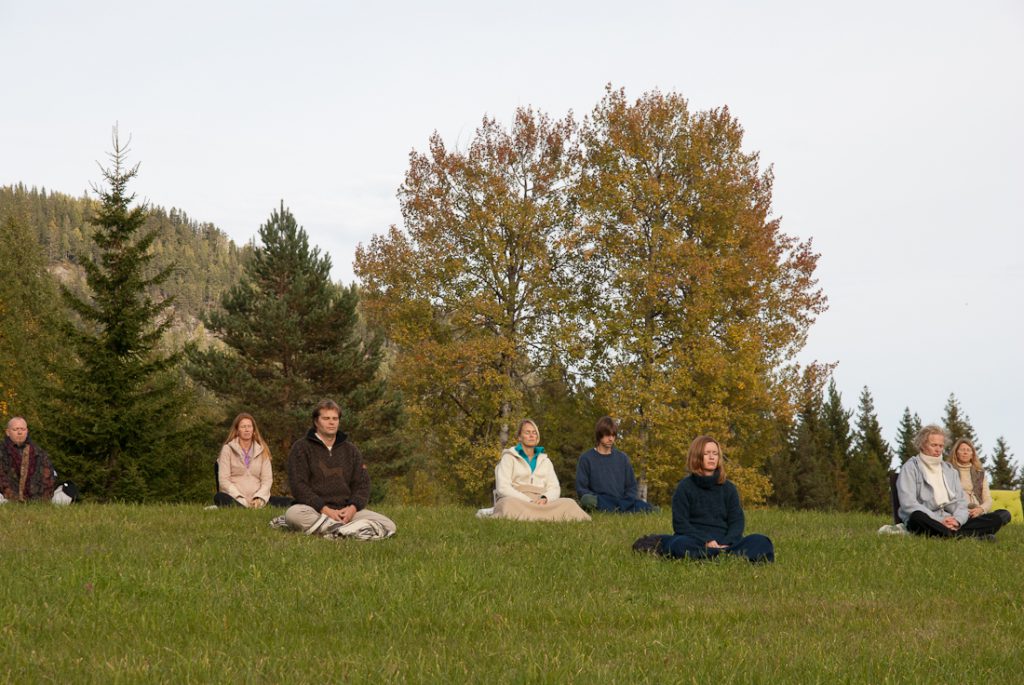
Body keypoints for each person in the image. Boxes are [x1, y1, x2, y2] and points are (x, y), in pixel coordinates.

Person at [633, 436, 773, 562]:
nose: (712, 457)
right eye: (706, 454)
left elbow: (737, 521)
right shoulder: (684, 487)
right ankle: (725, 557)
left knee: (762, 541)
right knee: (679, 545)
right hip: (695, 540)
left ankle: (715, 556)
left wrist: (727, 542)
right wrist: (706, 540)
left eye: (715, 454)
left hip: (725, 543)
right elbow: (680, 523)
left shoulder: (728, 488)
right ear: (697, 457)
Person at [282, 400, 395, 540]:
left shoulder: (351, 450)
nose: (331, 422)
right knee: (292, 515)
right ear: (316, 422)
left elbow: (362, 484)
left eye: (335, 418)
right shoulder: (301, 448)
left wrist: (352, 509)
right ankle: (348, 531)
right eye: (326, 418)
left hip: (346, 512)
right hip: (315, 510)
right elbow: (298, 485)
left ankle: (334, 530)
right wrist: (325, 510)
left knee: (389, 525)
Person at [896, 425, 1007, 539]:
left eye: (941, 446)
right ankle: (965, 536)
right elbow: (908, 503)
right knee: (917, 517)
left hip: (951, 519)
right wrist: (940, 520)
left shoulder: (949, 470)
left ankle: (951, 535)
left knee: (997, 518)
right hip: (927, 519)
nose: (938, 449)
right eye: (934, 445)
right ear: (922, 445)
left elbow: (961, 503)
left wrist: (957, 520)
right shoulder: (910, 467)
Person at [492, 419, 590, 522]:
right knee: (507, 504)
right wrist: (528, 500)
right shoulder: (509, 457)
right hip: (518, 500)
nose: (531, 435)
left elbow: (555, 488)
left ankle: (531, 517)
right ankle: (547, 517)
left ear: (537, 437)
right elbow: (502, 487)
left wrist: (545, 498)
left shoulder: (545, 461)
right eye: (527, 432)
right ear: (519, 437)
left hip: (542, 502)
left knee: (569, 502)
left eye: (534, 433)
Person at [575, 416, 653, 513]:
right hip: (600, 501)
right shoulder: (586, 458)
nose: (611, 439)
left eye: (613, 435)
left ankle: (618, 509)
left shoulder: (623, 458)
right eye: (607, 435)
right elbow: (581, 489)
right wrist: (600, 500)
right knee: (587, 500)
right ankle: (618, 510)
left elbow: (631, 487)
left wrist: (625, 502)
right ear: (599, 435)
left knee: (648, 508)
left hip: (622, 501)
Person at [214, 413, 292, 509]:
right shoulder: (227, 449)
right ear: (237, 430)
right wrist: (240, 498)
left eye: (249, 426)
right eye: (243, 427)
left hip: (258, 499)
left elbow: (267, 480)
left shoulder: (263, 450)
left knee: (292, 502)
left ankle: (251, 507)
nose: (247, 429)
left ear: (253, 430)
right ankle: (242, 507)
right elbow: (223, 480)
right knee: (219, 497)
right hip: (235, 498)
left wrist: (259, 498)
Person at [0, 417, 77, 504]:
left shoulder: (38, 452)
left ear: (27, 431)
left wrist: (40, 496)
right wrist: (13, 496)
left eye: (23, 429)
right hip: (6, 497)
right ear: (7, 432)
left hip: (37, 497)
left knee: (67, 491)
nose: (19, 432)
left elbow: (48, 477)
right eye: (15, 429)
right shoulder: (2, 451)